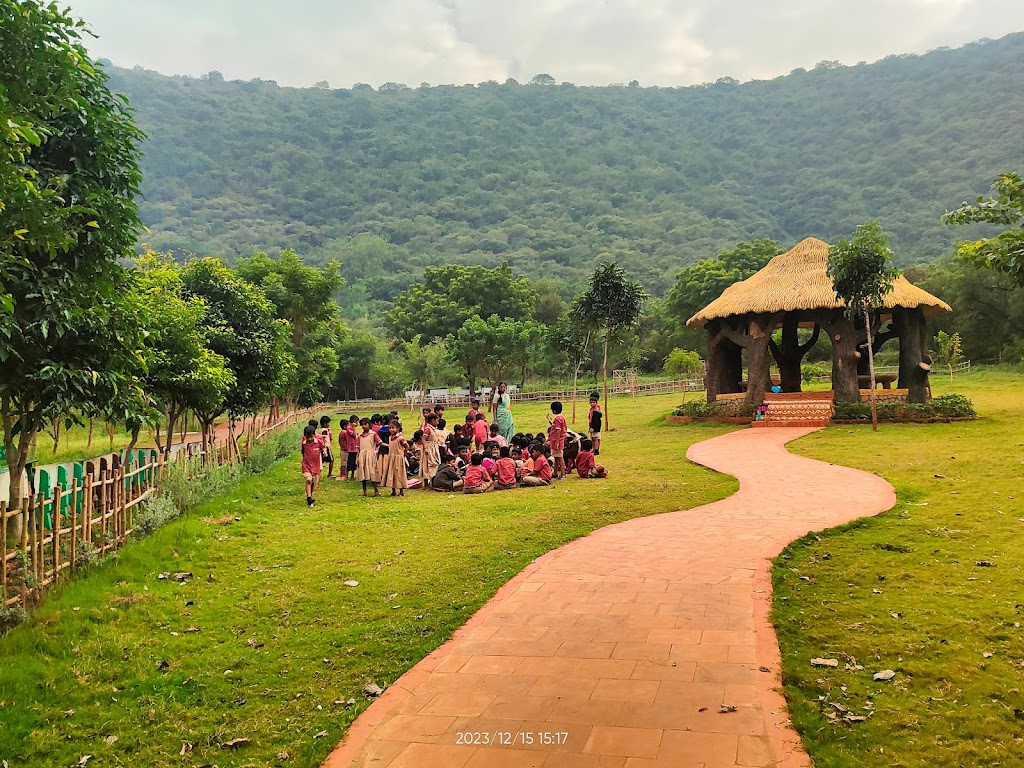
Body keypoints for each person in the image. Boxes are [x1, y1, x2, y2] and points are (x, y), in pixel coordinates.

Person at [382, 420, 408, 496]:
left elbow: (406, 446)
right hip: (391, 458)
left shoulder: (400, 438)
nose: (391, 430)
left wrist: (404, 454)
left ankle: (401, 491)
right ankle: (393, 490)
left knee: (399, 474)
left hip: (398, 458)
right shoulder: (390, 437)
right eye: (390, 428)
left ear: (398, 428)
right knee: (392, 474)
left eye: (393, 428)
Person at [356, 418, 381, 496]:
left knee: (372, 473)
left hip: (370, 455)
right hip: (362, 455)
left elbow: (379, 442)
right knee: (362, 473)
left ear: (369, 425)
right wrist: (357, 458)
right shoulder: (360, 436)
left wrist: (388, 446)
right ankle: (364, 491)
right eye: (362, 425)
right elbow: (358, 448)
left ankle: (376, 490)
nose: (363, 426)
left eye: (365, 424)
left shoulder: (373, 434)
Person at [301, 425, 323, 507]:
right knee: (308, 480)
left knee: (313, 482)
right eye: (307, 437)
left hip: (315, 465)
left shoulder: (318, 442)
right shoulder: (304, 443)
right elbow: (303, 452)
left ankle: (310, 494)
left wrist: (324, 452)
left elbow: (323, 448)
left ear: (314, 435)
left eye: (311, 437)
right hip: (306, 464)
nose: (309, 439)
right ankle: (309, 498)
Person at [548, 400, 568, 479]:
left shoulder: (558, 419)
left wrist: (557, 442)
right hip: (557, 440)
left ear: (554, 410)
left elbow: (558, 430)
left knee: (560, 457)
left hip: (557, 440)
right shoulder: (561, 417)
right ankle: (555, 472)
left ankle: (563, 474)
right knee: (556, 457)